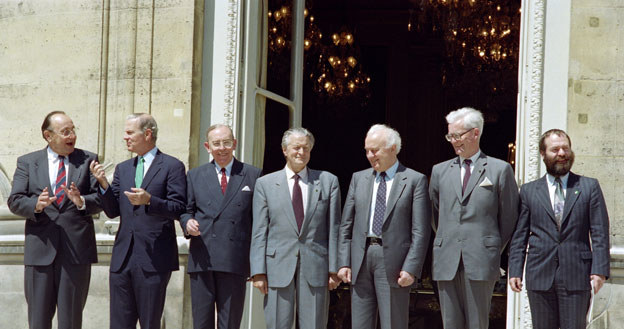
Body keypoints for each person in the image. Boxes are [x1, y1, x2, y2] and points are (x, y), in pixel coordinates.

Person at [89, 113, 186, 329]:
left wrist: (150, 200)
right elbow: (113, 211)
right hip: (123, 258)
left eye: (130, 132)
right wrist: (103, 183)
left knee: (150, 322)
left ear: (148, 134)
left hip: (154, 258)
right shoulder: (124, 168)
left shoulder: (172, 166)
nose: (125, 137)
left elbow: (178, 208)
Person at [8, 111, 102, 329]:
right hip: (40, 251)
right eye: (65, 132)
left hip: (76, 253)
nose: (72, 136)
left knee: (70, 321)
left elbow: (102, 199)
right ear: (48, 136)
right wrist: (36, 205)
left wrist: (81, 201)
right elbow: (15, 200)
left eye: (73, 130)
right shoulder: (28, 162)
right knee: (38, 321)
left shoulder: (88, 159)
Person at [508, 129, 610, 329]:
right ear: (543, 154)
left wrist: (600, 270)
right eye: (555, 149)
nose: (562, 153)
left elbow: (600, 232)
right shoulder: (529, 191)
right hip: (540, 274)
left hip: (577, 274)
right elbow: (519, 235)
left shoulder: (589, 186)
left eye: (566, 148)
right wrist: (515, 270)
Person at [429, 107, 519, 329]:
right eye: (450, 136)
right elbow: (434, 215)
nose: (453, 141)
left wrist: (490, 247)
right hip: (446, 259)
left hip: (481, 259)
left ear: (475, 133)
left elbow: (508, 219)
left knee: (477, 324)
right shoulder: (439, 171)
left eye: (458, 135)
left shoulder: (500, 169)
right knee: (450, 324)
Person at [337, 124, 431, 329]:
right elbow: (346, 225)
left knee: (393, 323)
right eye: (367, 151)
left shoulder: (415, 180)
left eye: (375, 150)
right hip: (360, 259)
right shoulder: (358, 178)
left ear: (393, 148)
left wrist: (411, 268)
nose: (370, 155)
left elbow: (420, 231)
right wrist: (343, 262)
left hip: (394, 264)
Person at [250, 127, 341, 329]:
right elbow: (259, 231)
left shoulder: (328, 181)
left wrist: (334, 268)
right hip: (277, 266)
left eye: (306, 148)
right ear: (284, 150)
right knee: (277, 324)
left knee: (315, 324)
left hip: (316, 265)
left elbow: (334, 229)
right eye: (296, 147)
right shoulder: (265, 184)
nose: (301, 152)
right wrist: (258, 271)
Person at [181, 124, 261, 329]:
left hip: (235, 260)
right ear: (208, 147)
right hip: (202, 257)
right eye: (216, 144)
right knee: (202, 323)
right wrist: (187, 223)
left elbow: (260, 222)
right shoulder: (195, 175)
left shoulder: (253, 175)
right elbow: (186, 210)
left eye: (226, 143)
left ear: (234, 144)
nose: (222, 148)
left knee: (230, 323)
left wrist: (257, 265)